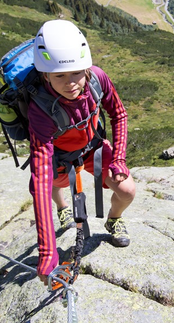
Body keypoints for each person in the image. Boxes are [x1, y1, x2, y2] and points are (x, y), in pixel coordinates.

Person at [28, 19, 136, 284]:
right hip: (58, 156)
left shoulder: (97, 78)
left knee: (127, 191)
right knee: (52, 185)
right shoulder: (40, 107)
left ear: (86, 67)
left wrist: (119, 159)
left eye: (76, 72)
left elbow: (118, 114)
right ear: (45, 76)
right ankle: (63, 206)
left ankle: (114, 219)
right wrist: (47, 251)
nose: (71, 83)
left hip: (93, 146)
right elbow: (40, 178)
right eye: (59, 76)